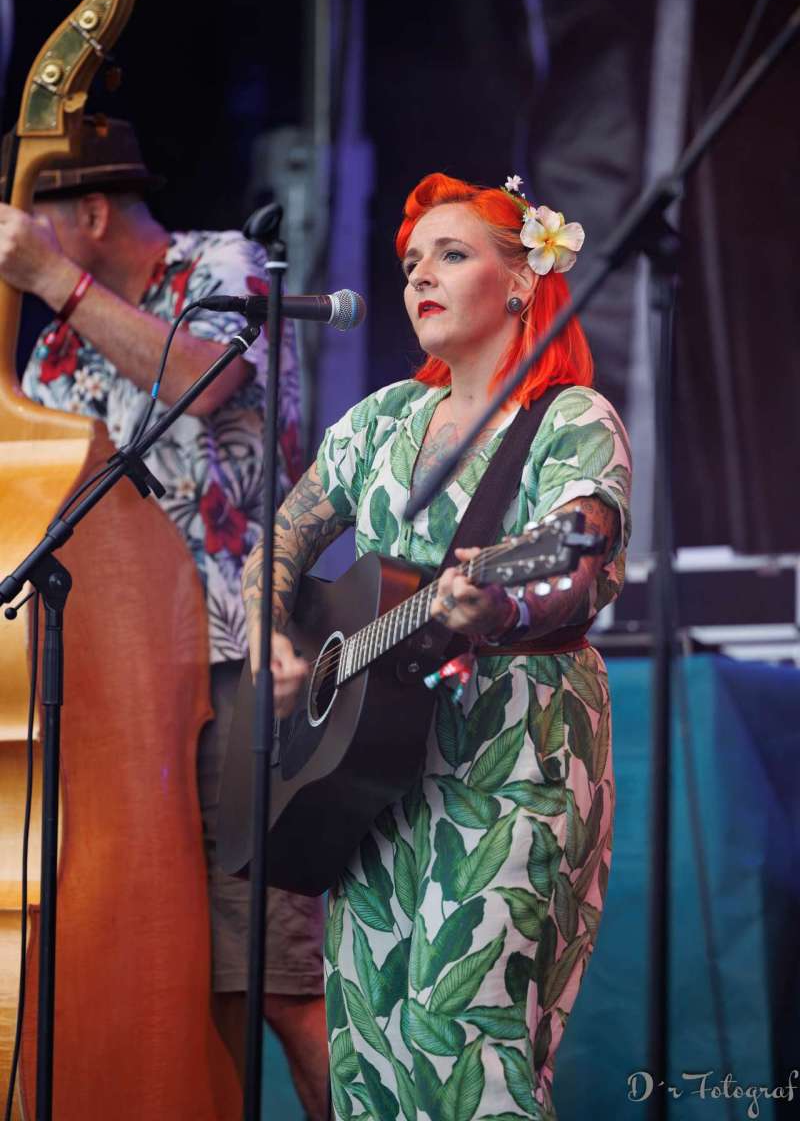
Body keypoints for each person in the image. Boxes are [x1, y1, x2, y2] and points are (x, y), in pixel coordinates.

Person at [242, 171, 632, 1120]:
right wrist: (272, 643)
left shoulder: (570, 417)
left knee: (468, 1048)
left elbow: (579, 561)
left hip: (514, 747)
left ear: (522, 282)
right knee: (369, 1053)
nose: (420, 274)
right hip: (367, 773)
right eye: (413, 260)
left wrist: (495, 608)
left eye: (451, 255)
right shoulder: (381, 422)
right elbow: (280, 539)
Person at [0, 116, 328, 1119]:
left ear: (92, 214)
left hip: (241, 667)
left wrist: (54, 280)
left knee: (280, 978)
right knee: (174, 980)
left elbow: (205, 379)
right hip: (120, 698)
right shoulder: (54, 350)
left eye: (32, 221)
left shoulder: (223, 265)